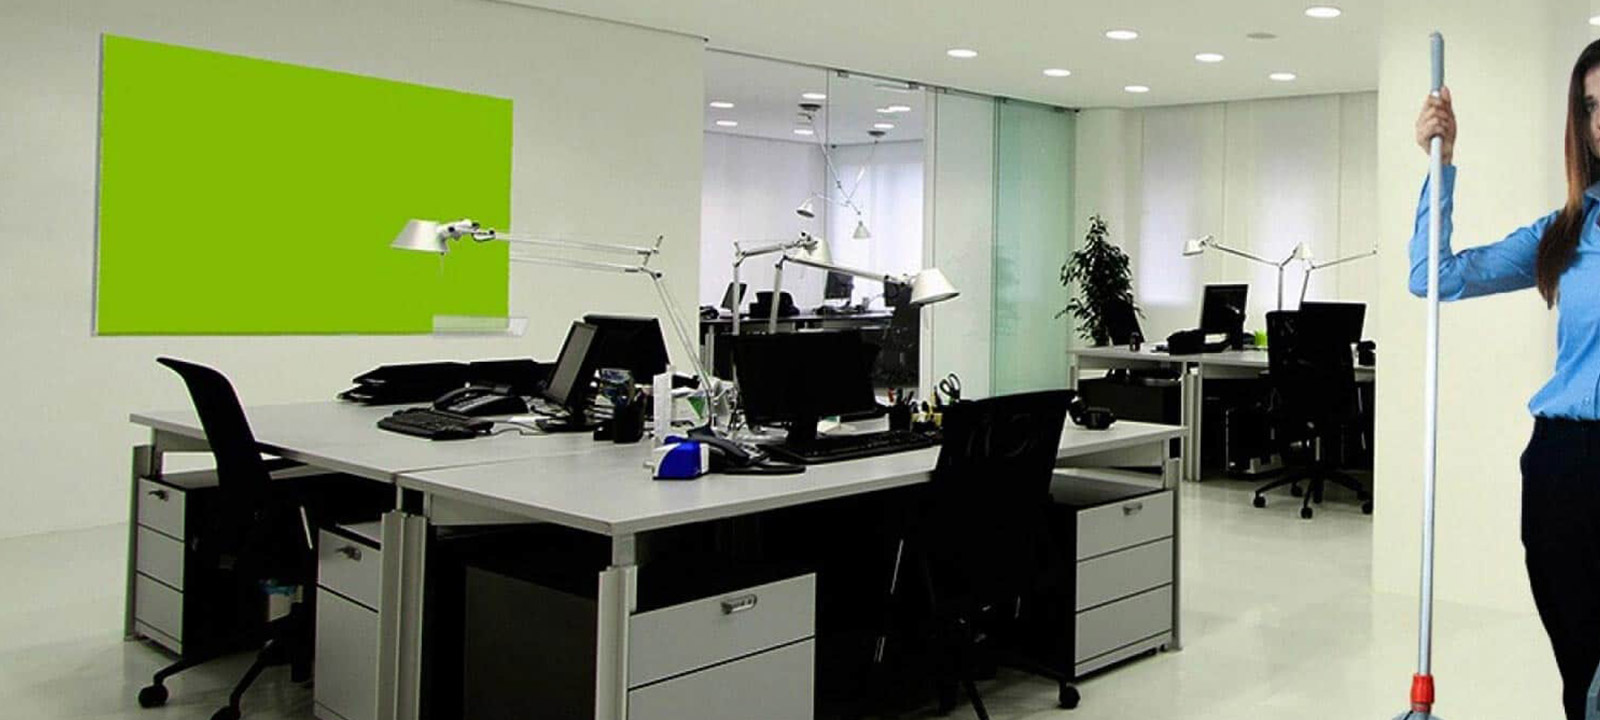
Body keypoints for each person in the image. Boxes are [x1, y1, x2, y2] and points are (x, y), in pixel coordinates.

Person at [1413, 38, 1600, 720]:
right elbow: (1434, 276)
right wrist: (1441, 164)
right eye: (1590, 106)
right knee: (1583, 679)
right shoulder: (1567, 231)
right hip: (1565, 469)